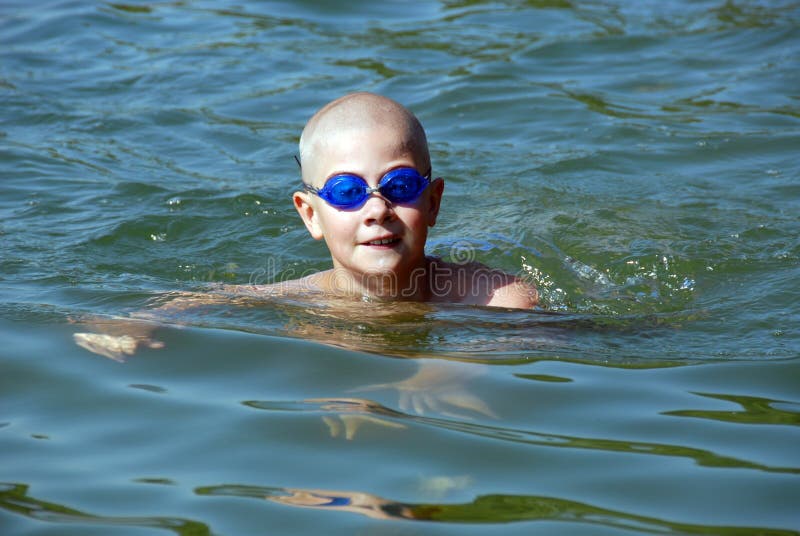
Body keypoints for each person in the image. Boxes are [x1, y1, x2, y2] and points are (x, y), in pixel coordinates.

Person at [286, 92, 537, 308]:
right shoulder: (281, 303)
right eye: (347, 191)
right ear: (311, 215)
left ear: (432, 202)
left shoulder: (495, 300)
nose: (378, 209)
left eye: (401, 185)